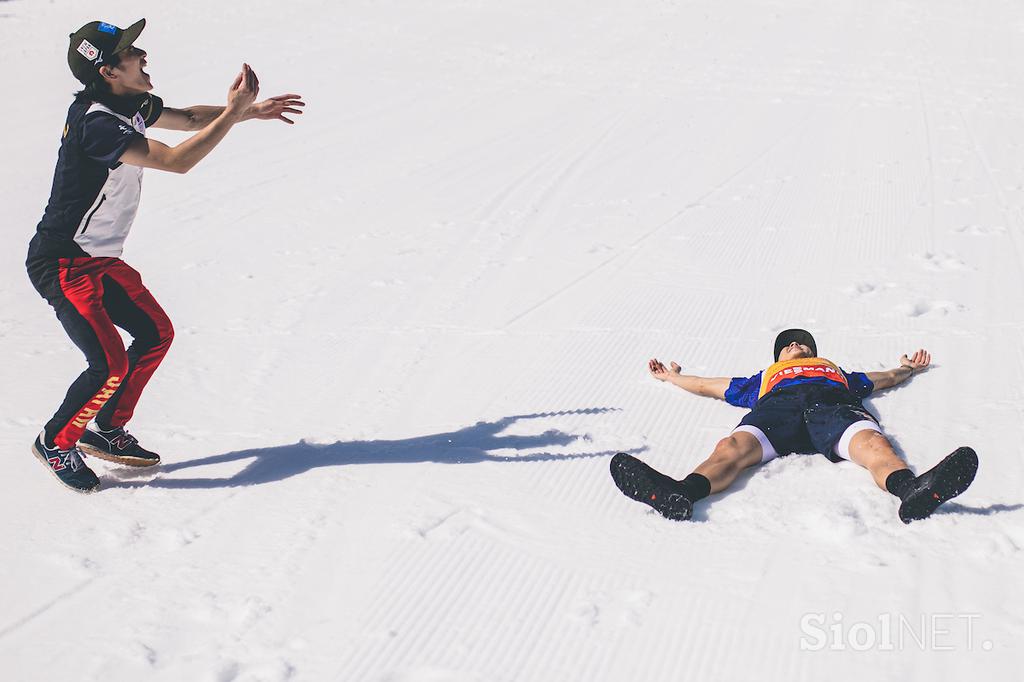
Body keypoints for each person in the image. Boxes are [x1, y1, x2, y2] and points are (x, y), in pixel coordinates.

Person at [27, 19, 305, 492]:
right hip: (64, 263)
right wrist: (234, 112)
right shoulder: (97, 123)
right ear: (110, 71)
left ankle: (108, 428)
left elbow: (191, 119)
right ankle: (55, 440)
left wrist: (248, 111)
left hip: (98, 260)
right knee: (108, 364)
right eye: (131, 51)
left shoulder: (127, 102)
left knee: (155, 333)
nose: (143, 54)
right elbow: (175, 161)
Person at [610, 329, 978, 524]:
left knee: (874, 446)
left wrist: (907, 368)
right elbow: (708, 385)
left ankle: (911, 489)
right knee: (730, 448)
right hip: (778, 410)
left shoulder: (838, 373)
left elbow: (883, 378)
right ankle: (681, 494)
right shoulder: (763, 378)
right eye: (788, 345)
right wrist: (673, 378)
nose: (796, 345)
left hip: (831, 406)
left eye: (802, 343)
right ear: (779, 356)